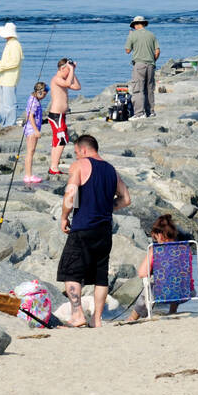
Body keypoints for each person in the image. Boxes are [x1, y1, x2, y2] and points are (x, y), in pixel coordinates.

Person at [57, 134, 130, 327]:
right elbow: (126, 199)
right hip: (104, 229)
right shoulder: (111, 170)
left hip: (83, 227)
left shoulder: (80, 166)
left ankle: (77, 314)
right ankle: (96, 320)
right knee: (100, 275)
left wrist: (64, 217)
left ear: (83, 149)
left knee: (71, 271)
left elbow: (71, 195)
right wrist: (106, 207)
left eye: (75, 153)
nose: (75, 156)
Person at [124, 214, 185, 321]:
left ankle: (132, 318)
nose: (155, 239)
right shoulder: (183, 248)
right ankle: (172, 311)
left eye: (155, 236)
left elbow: (142, 273)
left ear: (160, 235)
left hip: (163, 293)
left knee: (148, 288)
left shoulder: (156, 250)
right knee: (175, 279)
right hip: (184, 291)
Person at [46, 58, 80, 176]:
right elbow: (67, 84)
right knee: (61, 140)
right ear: (62, 69)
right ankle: (54, 167)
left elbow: (77, 87)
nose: (69, 73)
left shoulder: (64, 79)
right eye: (67, 70)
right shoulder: (56, 79)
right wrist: (70, 69)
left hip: (61, 116)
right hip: (56, 116)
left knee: (58, 140)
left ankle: (53, 166)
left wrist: (72, 71)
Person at [0, 22, 24, 127]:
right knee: (1, 104)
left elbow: (15, 62)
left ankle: (10, 124)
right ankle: (5, 123)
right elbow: (7, 61)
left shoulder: (15, 45)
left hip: (10, 79)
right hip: (3, 79)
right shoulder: (9, 44)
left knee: (9, 104)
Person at [124, 15, 159, 119]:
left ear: (135, 25)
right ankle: (150, 112)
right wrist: (153, 61)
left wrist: (130, 37)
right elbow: (157, 51)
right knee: (149, 89)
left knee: (138, 89)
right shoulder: (152, 35)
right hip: (151, 64)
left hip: (139, 64)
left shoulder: (132, 35)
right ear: (144, 24)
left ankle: (139, 113)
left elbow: (127, 50)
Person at [21, 82, 47, 184]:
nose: (44, 97)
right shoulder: (34, 102)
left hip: (31, 128)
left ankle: (29, 175)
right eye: (44, 94)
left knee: (30, 152)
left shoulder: (32, 99)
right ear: (40, 92)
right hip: (32, 130)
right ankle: (28, 175)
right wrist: (36, 130)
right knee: (30, 152)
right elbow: (30, 116)